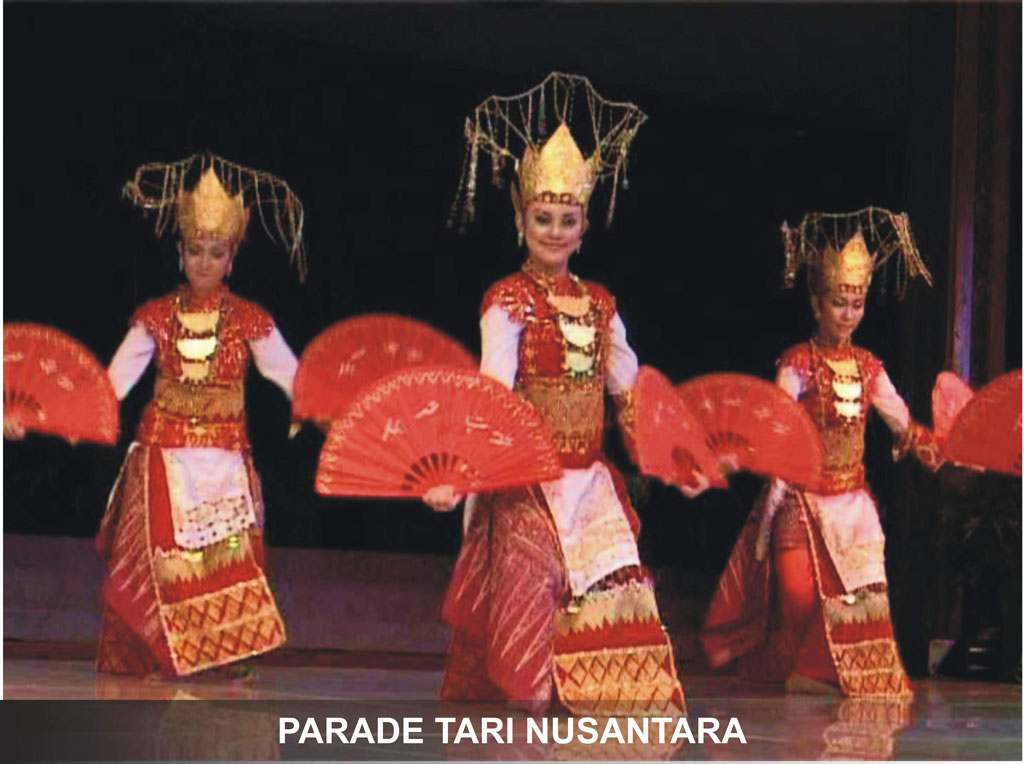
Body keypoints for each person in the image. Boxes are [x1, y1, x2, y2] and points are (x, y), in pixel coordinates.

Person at [426, 73, 686, 715]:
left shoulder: (600, 306)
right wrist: (457, 475)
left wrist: (680, 457)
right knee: (526, 683)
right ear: (521, 218)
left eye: (566, 220)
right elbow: (491, 394)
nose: (553, 230)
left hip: (590, 485)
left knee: (623, 673)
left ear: (584, 225)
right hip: (523, 483)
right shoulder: (506, 302)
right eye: (541, 218)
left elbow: (631, 389)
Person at [701, 210, 939, 697]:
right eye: (838, 303)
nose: (848, 314)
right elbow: (772, 422)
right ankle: (797, 662)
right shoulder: (799, 362)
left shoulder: (870, 368)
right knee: (797, 594)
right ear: (816, 304)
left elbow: (901, 420)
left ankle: (820, 672)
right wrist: (736, 454)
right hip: (800, 496)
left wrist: (935, 448)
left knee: (857, 599)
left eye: (857, 303)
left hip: (851, 502)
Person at [95, 156, 305, 678]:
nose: (205, 263)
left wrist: (343, 417)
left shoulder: (251, 321)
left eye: (217, 252)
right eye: (195, 251)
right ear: (179, 253)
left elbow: (297, 381)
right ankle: (159, 656)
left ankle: (220, 659)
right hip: (163, 459)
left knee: (224, 559)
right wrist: (38, 415)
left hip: (224, 464)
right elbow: (107, 388)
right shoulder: (154, 317)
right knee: (163, 564)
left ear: (232, 258)